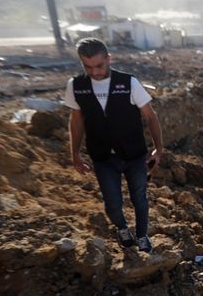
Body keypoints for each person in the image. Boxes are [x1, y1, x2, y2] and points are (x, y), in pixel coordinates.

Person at [64, 38, 163, 253]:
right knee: (112, 204)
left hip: (134, 154)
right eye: (87, 67)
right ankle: (122, 229)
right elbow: (76, 121)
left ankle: (142, 235)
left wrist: (159, 148)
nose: (95, 72)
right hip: (103, 157)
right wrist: (75, 155)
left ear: (109, 58)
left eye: (99, 65)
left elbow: (151, 117)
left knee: (139, 198)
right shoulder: (76, 86)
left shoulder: (129, 83)